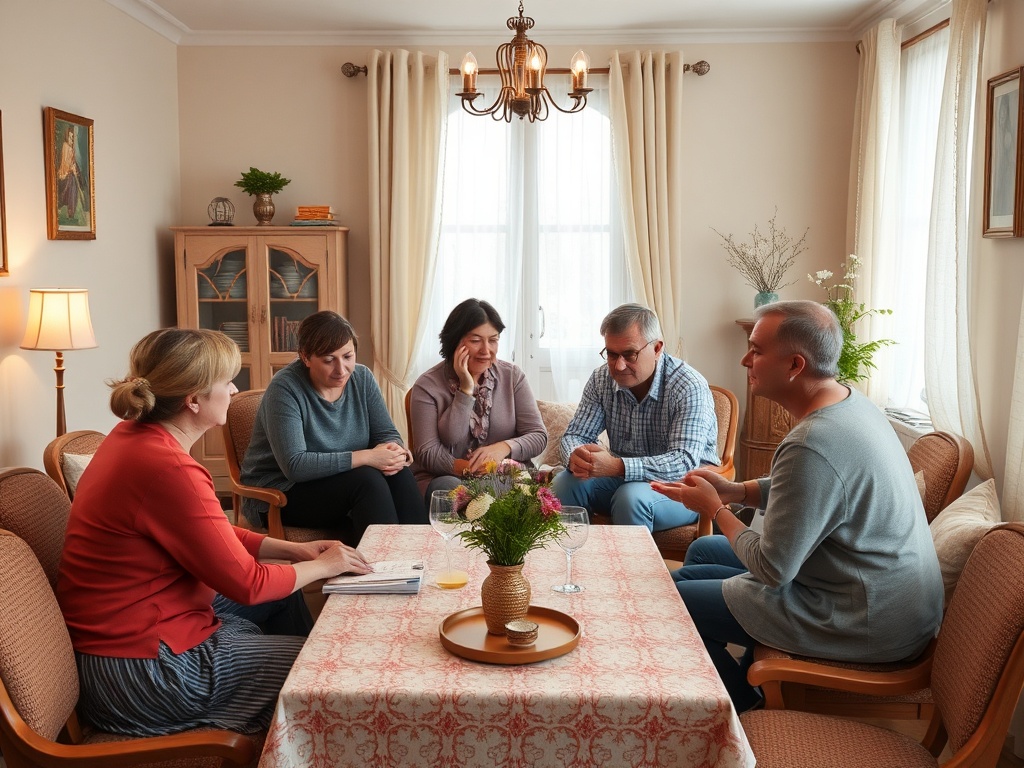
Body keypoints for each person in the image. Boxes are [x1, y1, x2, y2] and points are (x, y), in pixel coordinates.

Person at [56, 328, 370, 737]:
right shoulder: (169, 468)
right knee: (325, 662)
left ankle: (296, 725)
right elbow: (249, 585)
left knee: (287, 602)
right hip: (146, 672)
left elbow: (211, 532)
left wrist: (295, 551)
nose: (235, 389)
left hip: (125, 647)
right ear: (193, 400)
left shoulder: (131, 438)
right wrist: (324, 565)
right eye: (226, 381)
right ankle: (312, 714)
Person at [653, 300, 943, 712]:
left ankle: (745, 710)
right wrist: (736, 491)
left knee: (673, 603)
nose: (744, 359)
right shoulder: (848, 404)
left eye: (756, 349)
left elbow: (773, 569)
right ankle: (715, 689)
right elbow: (818, 488)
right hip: (880, 597)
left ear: (794, 365)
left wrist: (715, 509)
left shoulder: (812, 442)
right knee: (690, 569)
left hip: (863, 619)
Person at [242, 310, 426, 541]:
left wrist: (394, 451)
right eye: (329, 360)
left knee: (397, 473)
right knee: (368, 481)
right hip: (282, 492)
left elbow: (386, 433)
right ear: (305, 357)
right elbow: (295, 465)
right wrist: (368, 457)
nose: (341, 369)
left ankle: (421, 557)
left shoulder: (362, 378)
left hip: (340, 481)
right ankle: (383, 569)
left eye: (348, 356)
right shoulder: (285, 389)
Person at [552, 303, 719, 531]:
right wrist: (577, 456)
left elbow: (683, 462)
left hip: (683, 488)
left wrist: (618, 466)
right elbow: (576, 435)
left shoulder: (688, 386)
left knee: (631, 497)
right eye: (611, 354)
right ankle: (572, 563)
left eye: (630, 354)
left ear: (657, 348)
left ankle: (630, 568)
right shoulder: (601, 379)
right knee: (564, 483)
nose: (619, 366)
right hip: (622, 480)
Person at [410, 298, 547, 501]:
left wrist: (503, 448)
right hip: (448, 478)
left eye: (493, 340)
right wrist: (465, 390)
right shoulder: (427, 386)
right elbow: (428, 452)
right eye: (475, 341)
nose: (486, 350)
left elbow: (538, 436)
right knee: (448, 491)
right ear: (455, 342)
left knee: (521, 489)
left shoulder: (513, 377)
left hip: (504, 476)